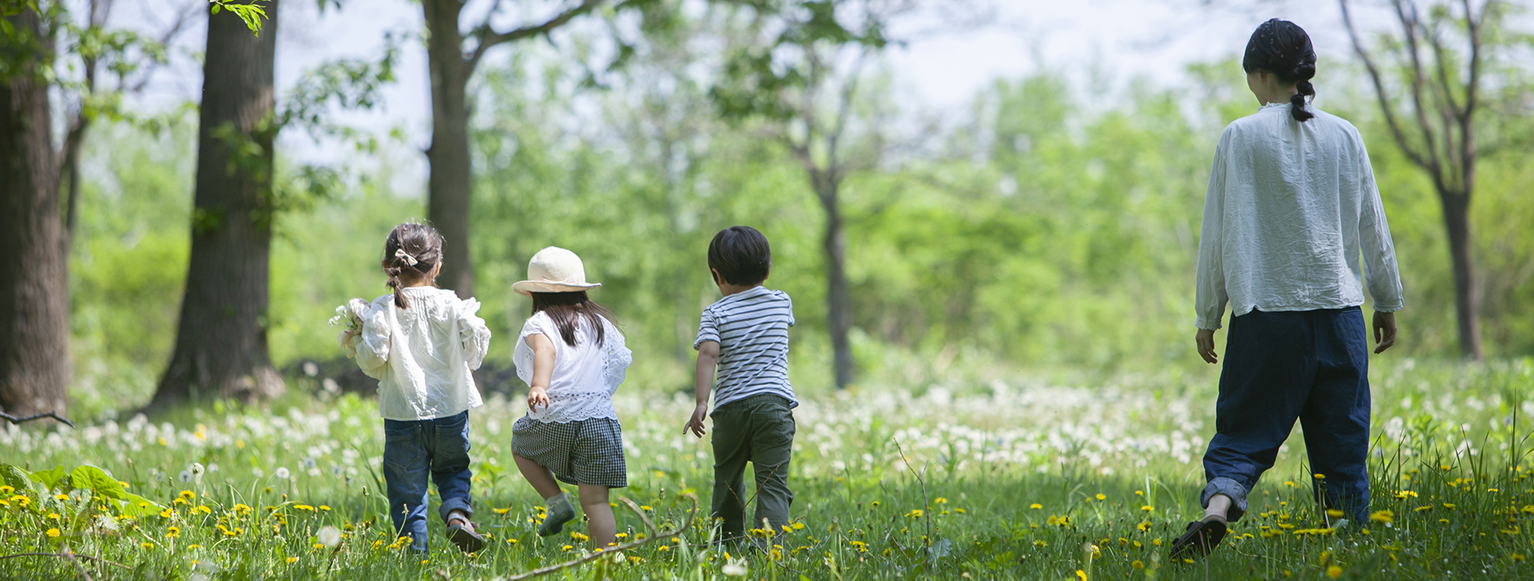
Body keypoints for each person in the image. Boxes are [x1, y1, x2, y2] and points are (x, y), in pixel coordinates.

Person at [1170, 19, 1405, 560]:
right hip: (1340, 315)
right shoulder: (1346, 135)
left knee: (1243, 434)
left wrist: (1208, 314)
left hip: (1265, 316)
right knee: (1342, 446)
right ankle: (1348, 549)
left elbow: (1217, 235)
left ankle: (1218, 510)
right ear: (1304, 72)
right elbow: (1375, 226)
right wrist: (1387, 301)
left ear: (1257, 75)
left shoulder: (1239, 136)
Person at [341, 222, 492, 554]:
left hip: (403, 414)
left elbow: (374, 361)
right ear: (437, 266)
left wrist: (358, 339)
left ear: (387, 266)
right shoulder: (452, 303)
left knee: (407, 491)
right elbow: (475, 348)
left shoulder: (383, 308)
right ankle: (456, 515)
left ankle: (415, 559)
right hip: (451, 409)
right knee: (453, 469)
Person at [509, 247, 632, 550]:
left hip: (557, 415)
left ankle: (556, 501)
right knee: (598, 504)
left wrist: (540, 385)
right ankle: (603, 564)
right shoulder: (601, 323)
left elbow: (546, 351)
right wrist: (599, 393)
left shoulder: (540, 323)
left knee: (521, 446)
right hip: (599, 421)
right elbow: (619, 362)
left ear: (534, 294)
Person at [684, 226, 798, 547]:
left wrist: (701, 403)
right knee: (772, 484)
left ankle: (726, 545)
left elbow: (708, 354)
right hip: (774, 405)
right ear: (768, 270)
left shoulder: (715, 313)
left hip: (731, 408)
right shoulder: (781, 302)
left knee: (728, 481)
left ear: (716, 274)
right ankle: (769, 551)